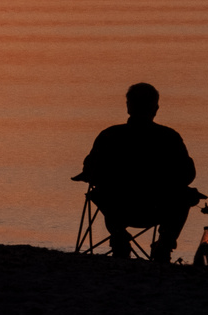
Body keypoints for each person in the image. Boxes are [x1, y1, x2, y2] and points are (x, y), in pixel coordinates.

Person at [73, 83, 199, 261]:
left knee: (101, 192)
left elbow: (90, 172)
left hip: (118, 208)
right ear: (155, 108)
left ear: (128, 106)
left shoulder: (109, 135)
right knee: (185, 195)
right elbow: (187, 176)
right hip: (158, 208)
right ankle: (165, 243)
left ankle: (119, 237)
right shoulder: (169, 137)